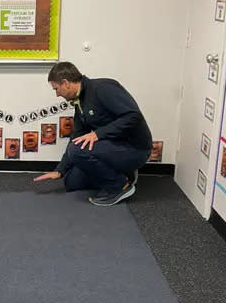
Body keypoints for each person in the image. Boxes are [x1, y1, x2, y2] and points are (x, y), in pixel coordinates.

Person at [33, 62, 152, 206]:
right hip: (112, 148)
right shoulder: (80, 102)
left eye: (56, 89)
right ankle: (124, 173)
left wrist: (98, 134)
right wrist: (60, 170)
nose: (57, 94)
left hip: (134, 149)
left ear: (66, 83)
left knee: (77, 151)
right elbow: (76, 138)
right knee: (71, 181)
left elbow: (133, 116)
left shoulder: (103, 88)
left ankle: (120, 186)